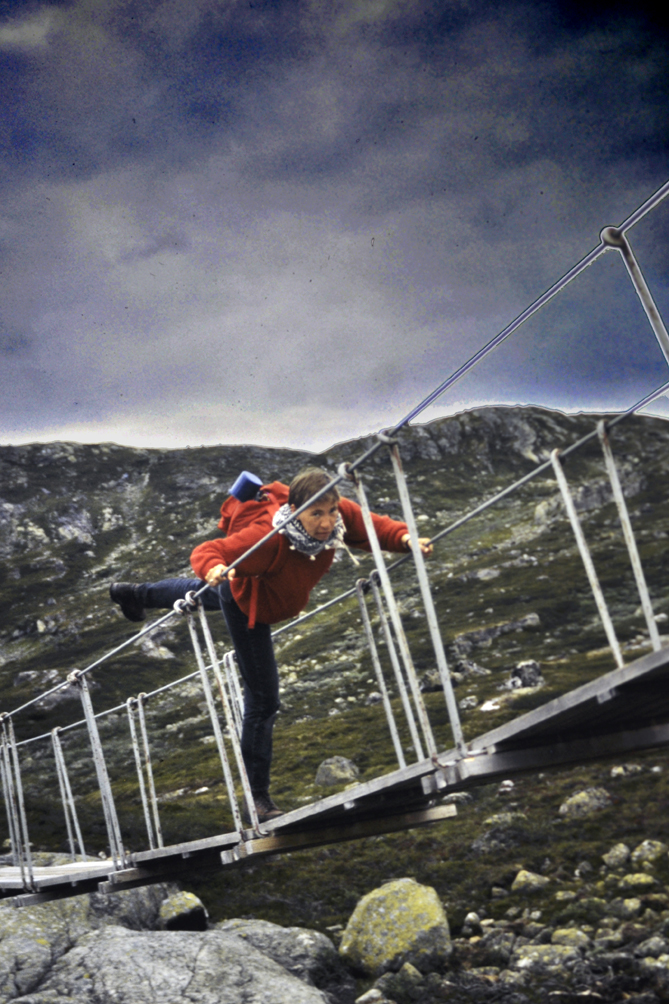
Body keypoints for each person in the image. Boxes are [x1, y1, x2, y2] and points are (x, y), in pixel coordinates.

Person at [110, 467, 432, 823]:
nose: (326, 523)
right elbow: (210, 550)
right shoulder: (269, 539)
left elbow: (376, 526)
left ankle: (135, 594)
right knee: (263, 699)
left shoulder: (339, 517)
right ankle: (257, 798)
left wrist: (405, 540)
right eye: (316, 514)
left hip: (262, 590)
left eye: (331, 512)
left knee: (210, 590)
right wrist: (215, 566)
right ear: (295, 510)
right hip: (250, 605)